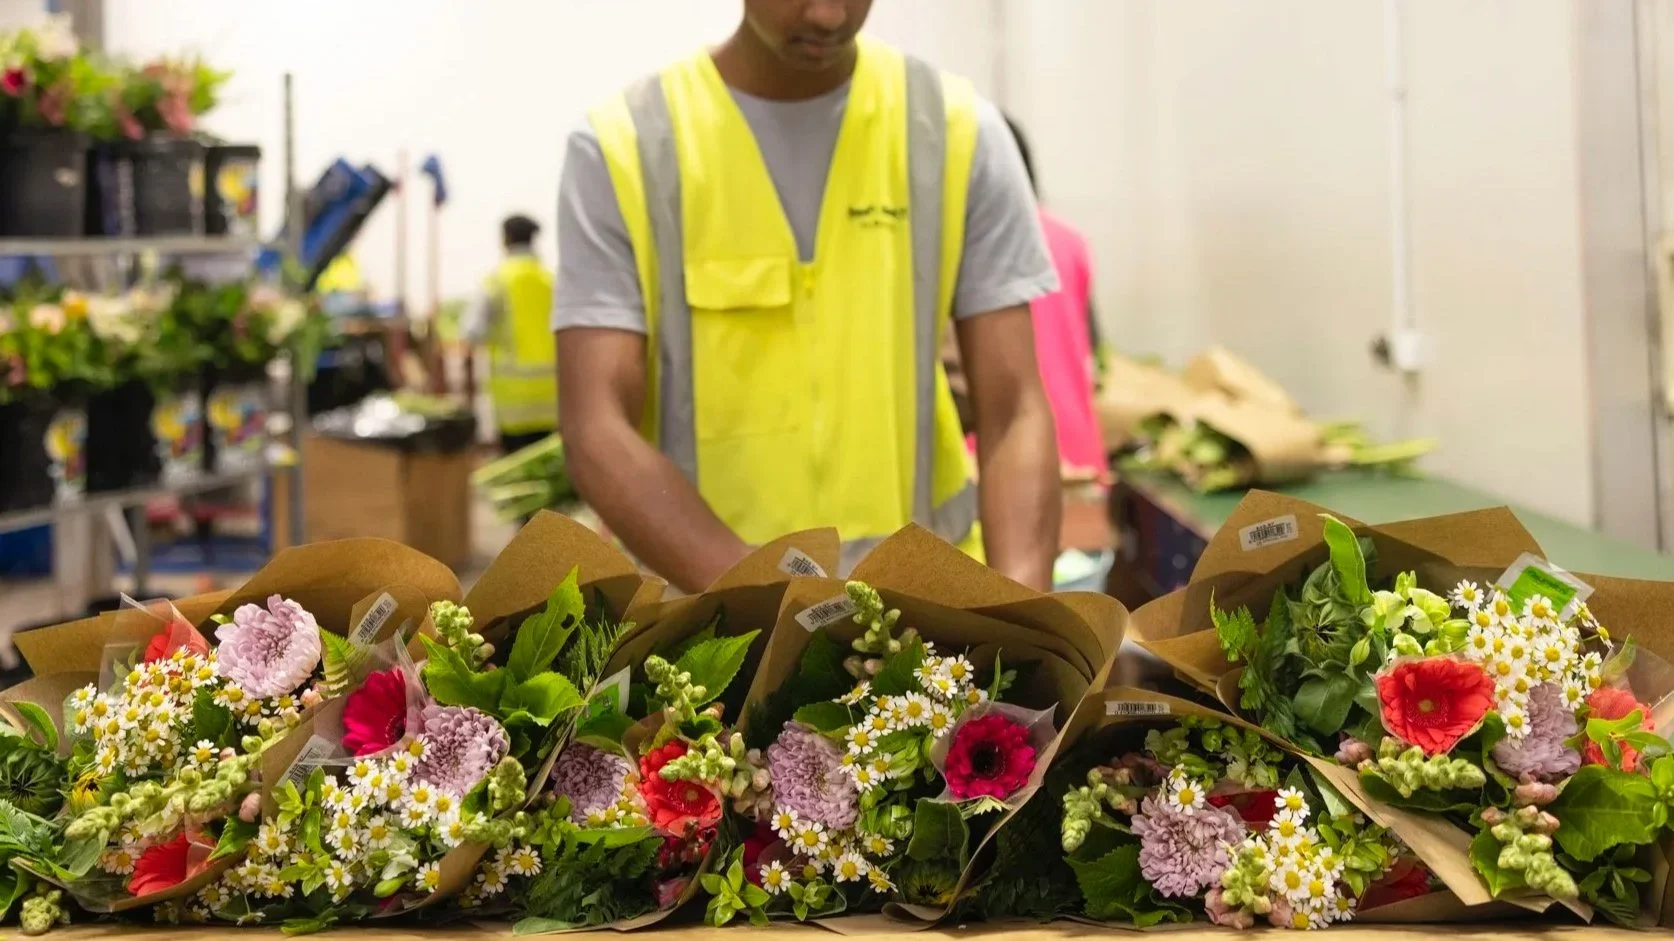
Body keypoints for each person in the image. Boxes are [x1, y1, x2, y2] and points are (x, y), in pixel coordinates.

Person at [556, 0, 1061, 592]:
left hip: (927, 627)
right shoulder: (627, 146)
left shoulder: (954, 131)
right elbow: (597, 425)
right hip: (711, 636)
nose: (827, 15)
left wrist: (1024, 627)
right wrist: (771, 602)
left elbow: (1015, 407)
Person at [1003, 115, 1107, 477]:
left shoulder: (966, 246)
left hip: (1000, 460)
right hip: (1079, 452)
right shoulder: (1070, 240)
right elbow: (1091, 351)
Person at [464, 214, 559, 455]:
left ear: (505, 239)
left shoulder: (497, 281)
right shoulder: (552, 281)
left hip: (513, 404)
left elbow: (472, 331)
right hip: (552, 400)